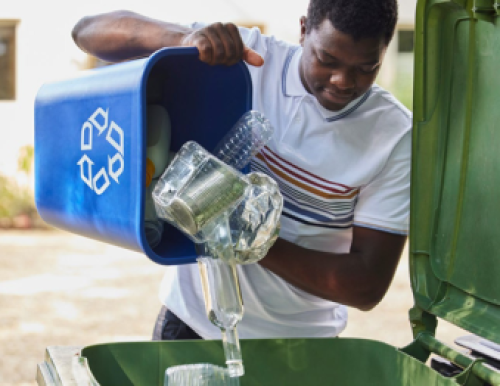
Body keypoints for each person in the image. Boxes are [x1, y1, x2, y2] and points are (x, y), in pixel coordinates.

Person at [72, 0, 410, 341]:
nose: (342, 81)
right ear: (304, 29)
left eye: (366, 68)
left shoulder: (393, 135)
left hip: (303, 344)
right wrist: (185, 39)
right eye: (327, 60)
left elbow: (366, 285)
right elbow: (87, 32)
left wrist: (251, 239)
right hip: (193, 323)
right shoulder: (245, 59)